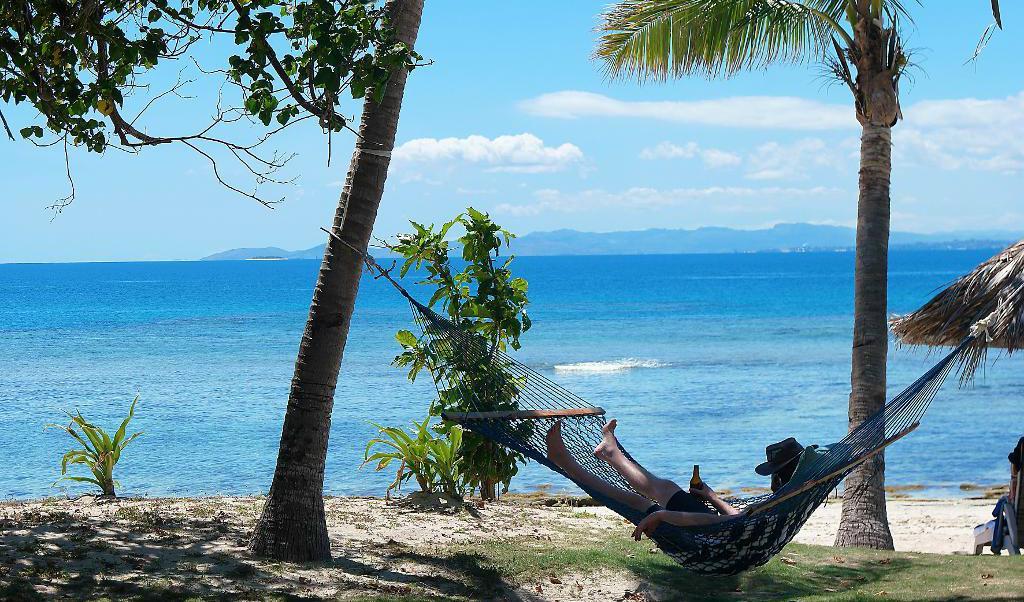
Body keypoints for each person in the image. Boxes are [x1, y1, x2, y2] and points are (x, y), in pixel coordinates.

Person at [545, 419, 805, 541]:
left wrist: (664, 517)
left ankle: (566, 462)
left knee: (639, 503)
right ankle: (610, 453)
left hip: (711, 539)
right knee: (666, 488)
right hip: (721, 534)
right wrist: (712, 497)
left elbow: (722, 521)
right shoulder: (788, 499)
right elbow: (741, 519)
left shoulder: (781, 505)